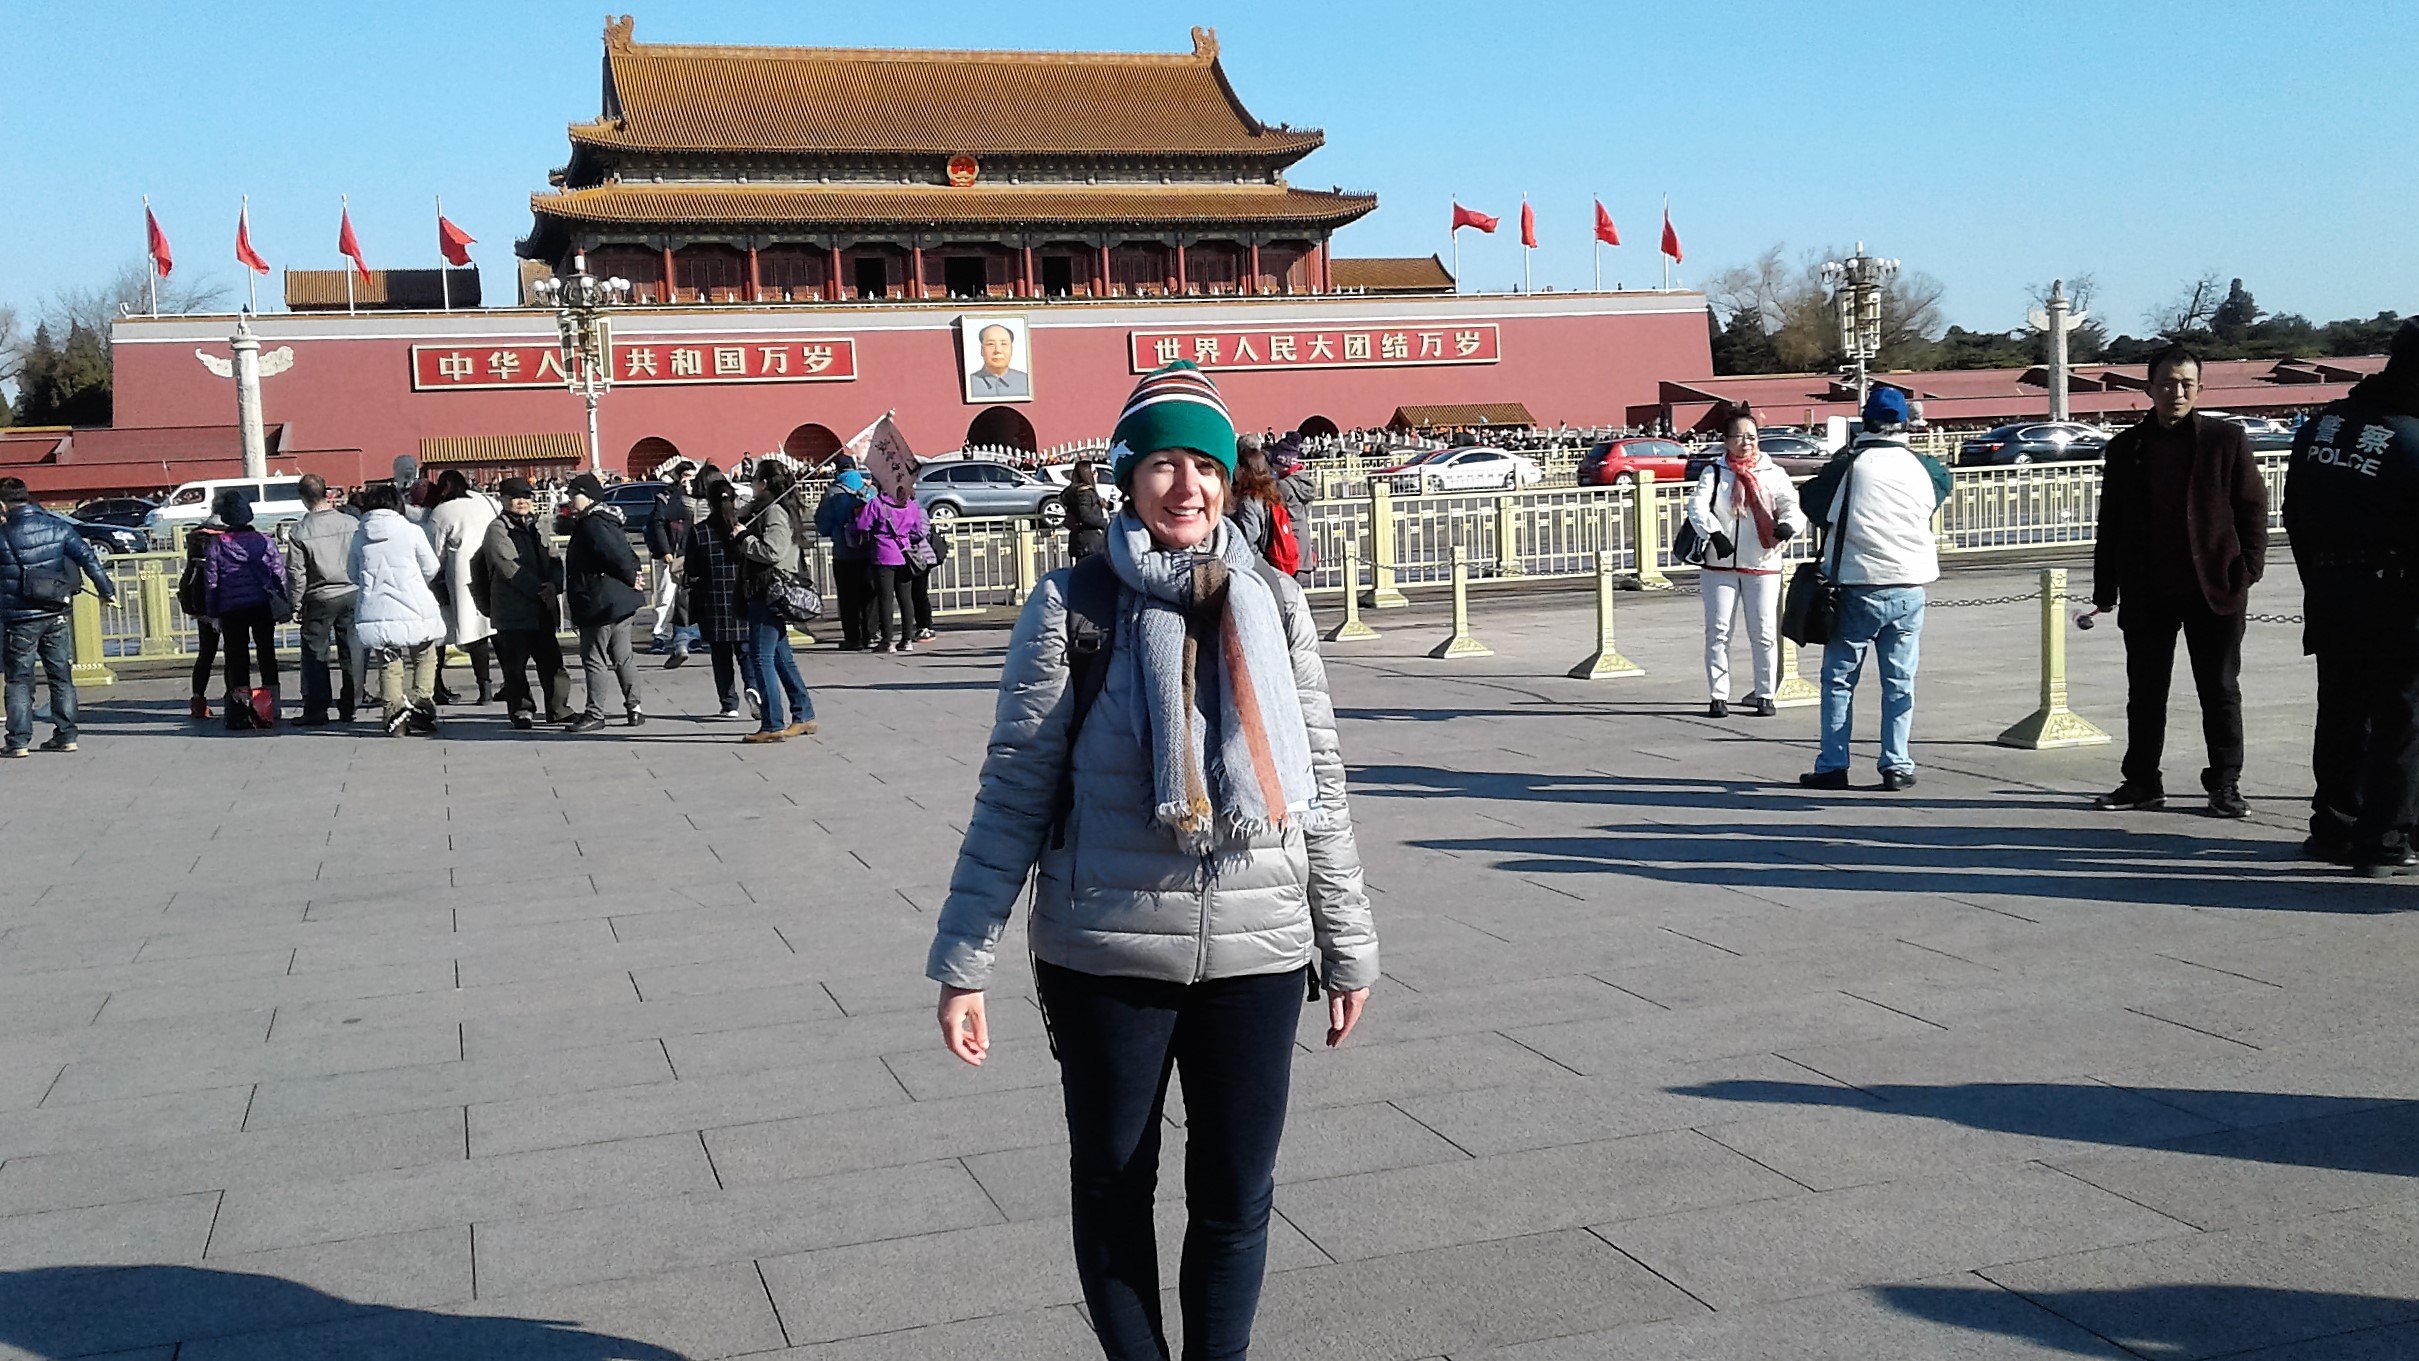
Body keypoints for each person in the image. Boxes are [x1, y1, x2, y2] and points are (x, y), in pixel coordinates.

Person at [927, 360, 1376, 1361]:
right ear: (1127, 478)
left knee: (1233, 1197)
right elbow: (1014, 789)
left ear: (1231, 480)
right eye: (1164, 464)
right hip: (1107, 956)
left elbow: (1321, 790)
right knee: (1115, 1193)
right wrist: (966, 958)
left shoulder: (1274, 602)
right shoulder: (1071, 607)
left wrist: (1348, 946)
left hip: (1258, 953)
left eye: (1206, 466)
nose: (1187, 487)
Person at [2088, 347, 2268, 818]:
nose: (2177, 392)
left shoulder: (2225, 440)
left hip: (2215, 588)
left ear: (2200, 388)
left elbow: (2252, 508)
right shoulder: (2127, 448)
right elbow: (2112, 523)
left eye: (2187, 383)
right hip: (2149, 590)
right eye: (2167, 383)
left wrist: (2248, 569)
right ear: (2149, 389)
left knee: (2220, 690)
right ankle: (2142, 781)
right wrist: (2105, 589)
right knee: (2145, 693)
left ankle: (2225, 783)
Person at [2285, 317, 2419, 873]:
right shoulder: (2409, 437)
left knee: (2340, 710)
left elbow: (2295, 516)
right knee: (2402, 718)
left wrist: (2318, 582)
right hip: (2397, 596)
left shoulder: (2322, 427)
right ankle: (2385, 838)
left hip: (2332, 588)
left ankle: (2334, 824)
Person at [1797, 387, 1949, 790]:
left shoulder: (1849, 466)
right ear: (1905, 425)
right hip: (1909, 585)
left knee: (1839, 682)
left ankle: (1833, 764)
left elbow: (1812, 504)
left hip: (1855, 585)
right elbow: (1940, 490)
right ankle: (1897, 763)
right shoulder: (1925, 467)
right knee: (1900, 682)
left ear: (1864, 422)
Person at [1688, 405, 1806, 718]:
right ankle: (1718, 695)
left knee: (1764, 630)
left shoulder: (1773, 473)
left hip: (1763, 561)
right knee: (1718, 630)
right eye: (1739, 437)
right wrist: (1714, 533)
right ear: (1726, 440)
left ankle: (1765, 693)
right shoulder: (1714, 472)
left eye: (1752, 437)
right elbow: (1698, 507)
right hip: (1719, 563)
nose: (1746, 443)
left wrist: (1787, 527)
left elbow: (1792, 506)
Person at [0, 477, 115, 757]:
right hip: (55, 612)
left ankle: (18, 741)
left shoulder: (2, 535)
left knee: (18, 679)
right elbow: (88, 558)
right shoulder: (58, 527)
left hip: (18, 619)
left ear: (2, 503)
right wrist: (106, 591)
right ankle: (66, 736)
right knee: (61, 676)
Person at [470, 477, 573, 730]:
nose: (522, 502)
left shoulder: (538, 526)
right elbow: (508, 566)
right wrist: (540, 590)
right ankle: (521, 710)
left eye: (526, 497)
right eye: (515, 497)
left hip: (542, 608)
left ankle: (559, 709)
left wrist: (554, 584)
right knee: (515, 666)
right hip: (513, 609)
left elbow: (554, 560)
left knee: (552, 662)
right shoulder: (497, 530)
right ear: (503, 500)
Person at [348, 483, 446, 737]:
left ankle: (394, 713)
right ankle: (421, 703)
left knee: (389, 663)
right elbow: (431, 566)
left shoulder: (360, 535)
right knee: (424, 655)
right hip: (414, 604)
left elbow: (352, 573)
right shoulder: (411, 531)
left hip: (376, 609)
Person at [736, 461, 815, 743]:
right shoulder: (768, 508)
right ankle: (803, 714)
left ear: (765, 483)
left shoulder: (774, 511)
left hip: (768, 589)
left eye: (755, 479)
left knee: (761, 657)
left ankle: (772, 722)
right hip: (768, 589)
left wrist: (744, 538)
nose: (752, 483)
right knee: (782, 657)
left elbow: (772, 550)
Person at [562, 472, 645, 733]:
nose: (570, 499)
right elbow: (627, 554)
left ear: (587, 496)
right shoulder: (608, 519)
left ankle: (595, 712)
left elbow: (615, 555)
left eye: (573, 495)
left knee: (594, 657)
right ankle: (634, 709)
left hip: (600, 601)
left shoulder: (593, 524)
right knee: (622, 656)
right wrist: (633, 576)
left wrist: (630, 576)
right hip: (619, 601)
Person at [202, 489, 289, 729]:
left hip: (231, 608)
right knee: (266, 653)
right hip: (261, 603)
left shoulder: (218, 545)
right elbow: (278, 574)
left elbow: (212, 581)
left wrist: (213, 611)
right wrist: (284, 602)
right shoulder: (264, 540)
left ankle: (240, 708)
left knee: (237, 655)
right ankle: (270, 706)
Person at [282, 474, 360, 725]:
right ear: (327, 493)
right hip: (351, 592)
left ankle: (317, 707)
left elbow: (296, 573)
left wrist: (294, 604)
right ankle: (350, 703)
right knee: (351, 652)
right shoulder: (350, 522)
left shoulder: (300, 530)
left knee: (315, 654)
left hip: (319, 596)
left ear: (303, 498)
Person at [423, 469, 498, 707]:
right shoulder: (487, 501)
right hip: (493, 567)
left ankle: (472, 687)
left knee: (466, 630)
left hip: (462, 574)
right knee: (494, 630)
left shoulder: (442, 512)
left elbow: (434, 554)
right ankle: (500, 686)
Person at [682, 476, 752, 721]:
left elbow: (691, 568)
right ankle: (753, 688)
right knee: (746, 651)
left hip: (712, 600)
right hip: (743, 595)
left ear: (709, 503)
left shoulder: (699, 532)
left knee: (720, 656)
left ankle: (729, 703)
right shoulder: (744, 527)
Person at [855, 481, 928, 653]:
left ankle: (887, 640)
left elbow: (862, 525)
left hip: (883, 553)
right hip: (904, 552)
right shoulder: (910, 504)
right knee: (906, 598)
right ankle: (907, 639)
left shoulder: (877, 503)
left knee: (885, 599)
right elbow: (918, 529)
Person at [814, 457, 874, 650]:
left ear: (837, 471)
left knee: (848, 597)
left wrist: (835, 532)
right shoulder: (869, 491)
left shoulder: (832, 493)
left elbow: (822, 524)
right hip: (869, 551)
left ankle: (853, 638)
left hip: (843, 552)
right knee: (870, 595)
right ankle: (871, 634)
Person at [178, 515, 226, 721]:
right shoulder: (227, 538)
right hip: (227, 599)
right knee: (234, 651)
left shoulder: (196, 539)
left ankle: (198, 701)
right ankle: (234, 699)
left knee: (206, 652)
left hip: (202, 602)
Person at [647, 463, 697, 661]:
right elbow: (658, 523)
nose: (688, 480)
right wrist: (665, 551)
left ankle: (690, 635)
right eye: (685, 475)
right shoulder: (666, 497)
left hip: (691, 552)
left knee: (690, 597)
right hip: (672, 553)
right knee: (665, 596)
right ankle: (659, 634)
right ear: (677, 476)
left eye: (692, 476)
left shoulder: (698, 498)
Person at [966, 322, 1031, 399]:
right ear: (982, 350)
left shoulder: (1027, 382)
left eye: (1003, 344)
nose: (998, 350)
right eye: (990, 344)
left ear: (1011, 349)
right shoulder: (968, 384)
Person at [1064, 459, 1111, 562]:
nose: (1097, 475)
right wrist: (1103, 523)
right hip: (1088, 541)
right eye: (1094, 472)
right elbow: (1085, 515)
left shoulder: (1076, 491)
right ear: (1087, 474)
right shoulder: (1084, 492)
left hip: (1083, 541)